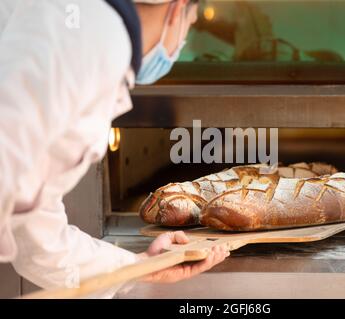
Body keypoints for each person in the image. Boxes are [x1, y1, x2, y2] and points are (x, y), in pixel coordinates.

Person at [0, 0, 229, 298]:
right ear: (177, 8)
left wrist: (136, 266)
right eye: (191, 23)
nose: (181, 43)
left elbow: (34, 228)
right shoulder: (92, 34)